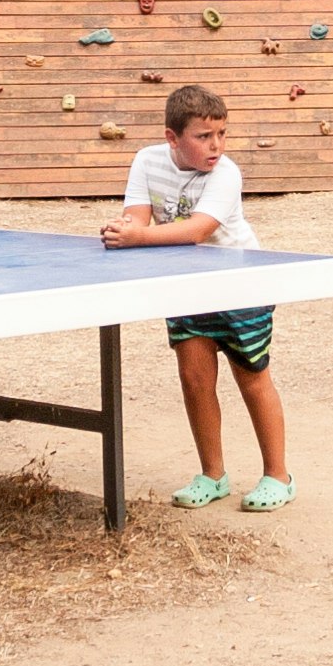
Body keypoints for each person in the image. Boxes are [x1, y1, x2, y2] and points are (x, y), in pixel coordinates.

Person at [100, 83, 292, 512]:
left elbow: (197, 230)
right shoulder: (147, 160)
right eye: (204, 136)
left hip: (241, 287)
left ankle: (278, 477)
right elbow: (137, 216)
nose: (217, 145)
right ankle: (213, 475)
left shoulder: (227, 172)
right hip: (186, 287)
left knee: (252, 378)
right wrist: (124, 229)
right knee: (195, 380)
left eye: (222, 134)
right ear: (173, 137)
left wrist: (139, 237)